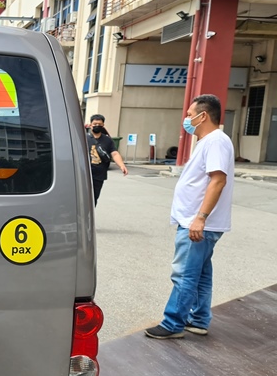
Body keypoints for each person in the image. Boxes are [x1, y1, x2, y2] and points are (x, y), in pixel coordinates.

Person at [145, 94, 234, 339]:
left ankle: (173, 323)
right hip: (199, 222)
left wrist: (200, 217)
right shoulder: (210, 141)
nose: (186, 119)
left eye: (189, 114)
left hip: (198, 223)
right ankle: (199, 319)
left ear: (202, 116)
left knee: (184, 273)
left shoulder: (215, 141)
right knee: (201, 274)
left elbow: (218, 180)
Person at [86, 114, 127, 205]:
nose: (97, 126)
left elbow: (114, 153)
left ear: (103, 125)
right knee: (82, 197)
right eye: (95, 124)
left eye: (99, 124)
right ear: (90, 125)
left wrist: (121, 165)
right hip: (84, 173)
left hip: (99, 174)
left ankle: (90, 213)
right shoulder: (84, 138)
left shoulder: (107, 140)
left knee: (94, 198)